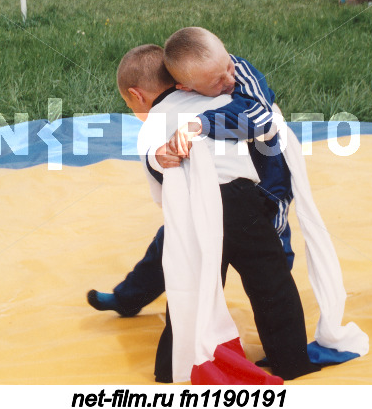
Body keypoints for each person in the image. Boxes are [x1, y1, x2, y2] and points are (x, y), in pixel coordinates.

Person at [114, 38, 320, 383]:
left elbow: (157, 167)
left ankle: (171, 369)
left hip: (199, 212)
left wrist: (157, 158)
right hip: (244, 203)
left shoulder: (153, 123)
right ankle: (292, 361)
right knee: (272, 286)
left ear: (138, 95)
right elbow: (257, 124)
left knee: (192, 288)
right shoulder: (219, 99)